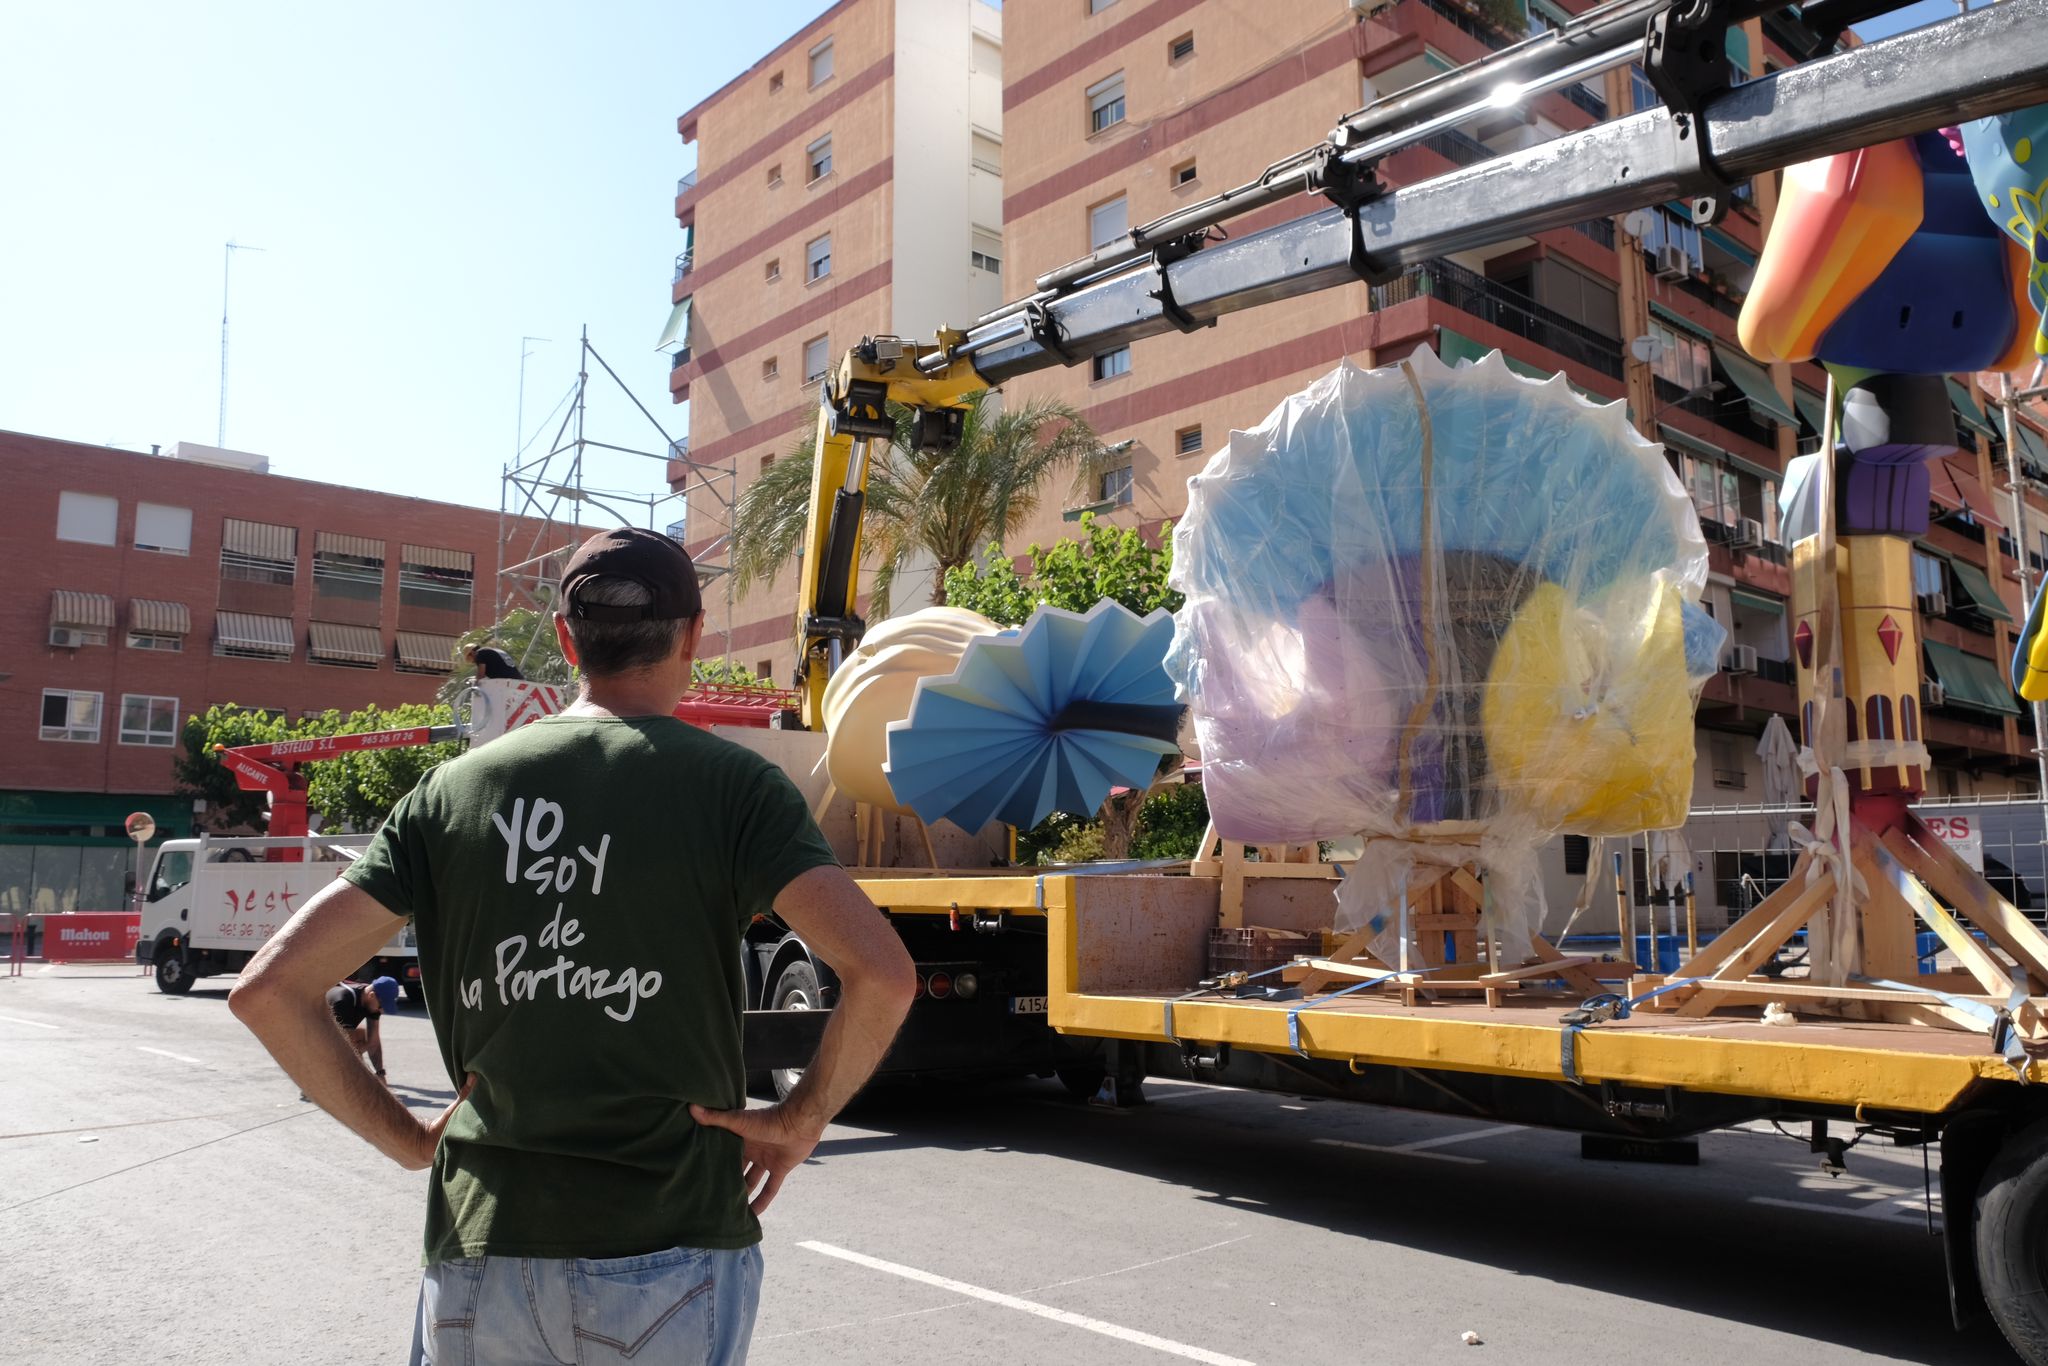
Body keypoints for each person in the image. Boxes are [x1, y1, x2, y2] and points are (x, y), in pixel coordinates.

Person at [230, 526, 915, 1366]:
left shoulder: (451, 794)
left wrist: (406, 1138)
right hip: (672, 1246)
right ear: (693, 635)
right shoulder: (734, 789)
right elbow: (881, 974)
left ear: (565, 640)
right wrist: (799, 1120)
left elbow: (268, 991)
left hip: (484, 1253)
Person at [326, 976, 397, 1083]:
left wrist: (380, 1073)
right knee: (356, 1038)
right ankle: (314, 1079)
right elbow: (345, 1048)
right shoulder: (344, 1001)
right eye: (381, 1006)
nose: (381, 1011)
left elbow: (374, 1042)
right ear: (372, 995)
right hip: (308, 1028)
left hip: (329, 1031)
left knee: (360, 1037)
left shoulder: (370, 1000)